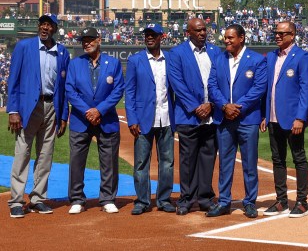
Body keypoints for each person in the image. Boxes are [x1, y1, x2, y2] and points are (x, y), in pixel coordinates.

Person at [6, 14, 70, 218]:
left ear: (55, 29)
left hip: (52, 107)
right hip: (28, 107)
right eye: (42, 24)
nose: (44, 28)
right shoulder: (24, 47)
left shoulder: (62, 52)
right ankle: (16, 200)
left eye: (49, 25)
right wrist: (13, 110)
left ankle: (37, 198)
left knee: (45, 155)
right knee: (22, 153)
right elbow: (13, 80)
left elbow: (65, 87)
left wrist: (63, 115)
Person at [208, 24, 267, 219]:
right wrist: (225, 106)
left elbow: (259, 88)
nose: (226, 41)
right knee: (225, 163)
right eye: (225, 37)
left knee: (250, 163)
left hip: (247, 119)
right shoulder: (218, 59)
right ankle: (224, 201)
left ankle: (250, 202)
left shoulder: (257, 60)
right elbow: (212, 85)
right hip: (224, 118)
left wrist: (237, 107)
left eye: (230, 38)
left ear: (241, 38)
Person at [66, 27, 125, 214]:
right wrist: (87, 111)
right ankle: (77, 198)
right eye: (84, 40)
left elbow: (118, 90)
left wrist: (99, 110)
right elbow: (70, 91)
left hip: (106, 119)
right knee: (77, 161)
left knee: (109, 161)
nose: (86, 43)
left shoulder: (113, 63)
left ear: (99, 40)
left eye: (90, 39)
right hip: (80, 119)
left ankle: (107, 198)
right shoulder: (75, 64)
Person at [167, 18, 221, 215]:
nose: (202, 33)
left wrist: (212, 105)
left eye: (204, 30)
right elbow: (177, 84)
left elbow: (221, 81)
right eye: (197, 30)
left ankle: (205, 197)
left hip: (212, 114)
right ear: (188, 32)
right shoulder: (177, 53)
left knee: (208, 157)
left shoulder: (215, 52)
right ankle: (187, 199)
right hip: (188, 115)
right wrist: (195, 107)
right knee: (188, 159)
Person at [260, 21, 308, 218]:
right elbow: (267, 89)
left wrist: (301, 117)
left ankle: (302, 202)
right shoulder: (272, 56)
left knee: (299, 158)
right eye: (276, 33)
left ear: (293, 34)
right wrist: (264, 114)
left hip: (292, 118)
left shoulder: (302, 57)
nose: (278, 36)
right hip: (273, 117)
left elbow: (306, 89)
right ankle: (281, 200)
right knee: (277, 159)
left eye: (283, 33)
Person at [125, 23, 176, 215]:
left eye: (153, 34)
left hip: (166, 118)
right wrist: (132, 119)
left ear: (161, 37)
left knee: (167, 162)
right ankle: (142, 201)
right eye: (147, 34)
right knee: (140, 163)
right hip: (144, 118)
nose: (149, 37)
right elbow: (129, 92)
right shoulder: (135, 60)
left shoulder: (170, 59)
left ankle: (163, 199)